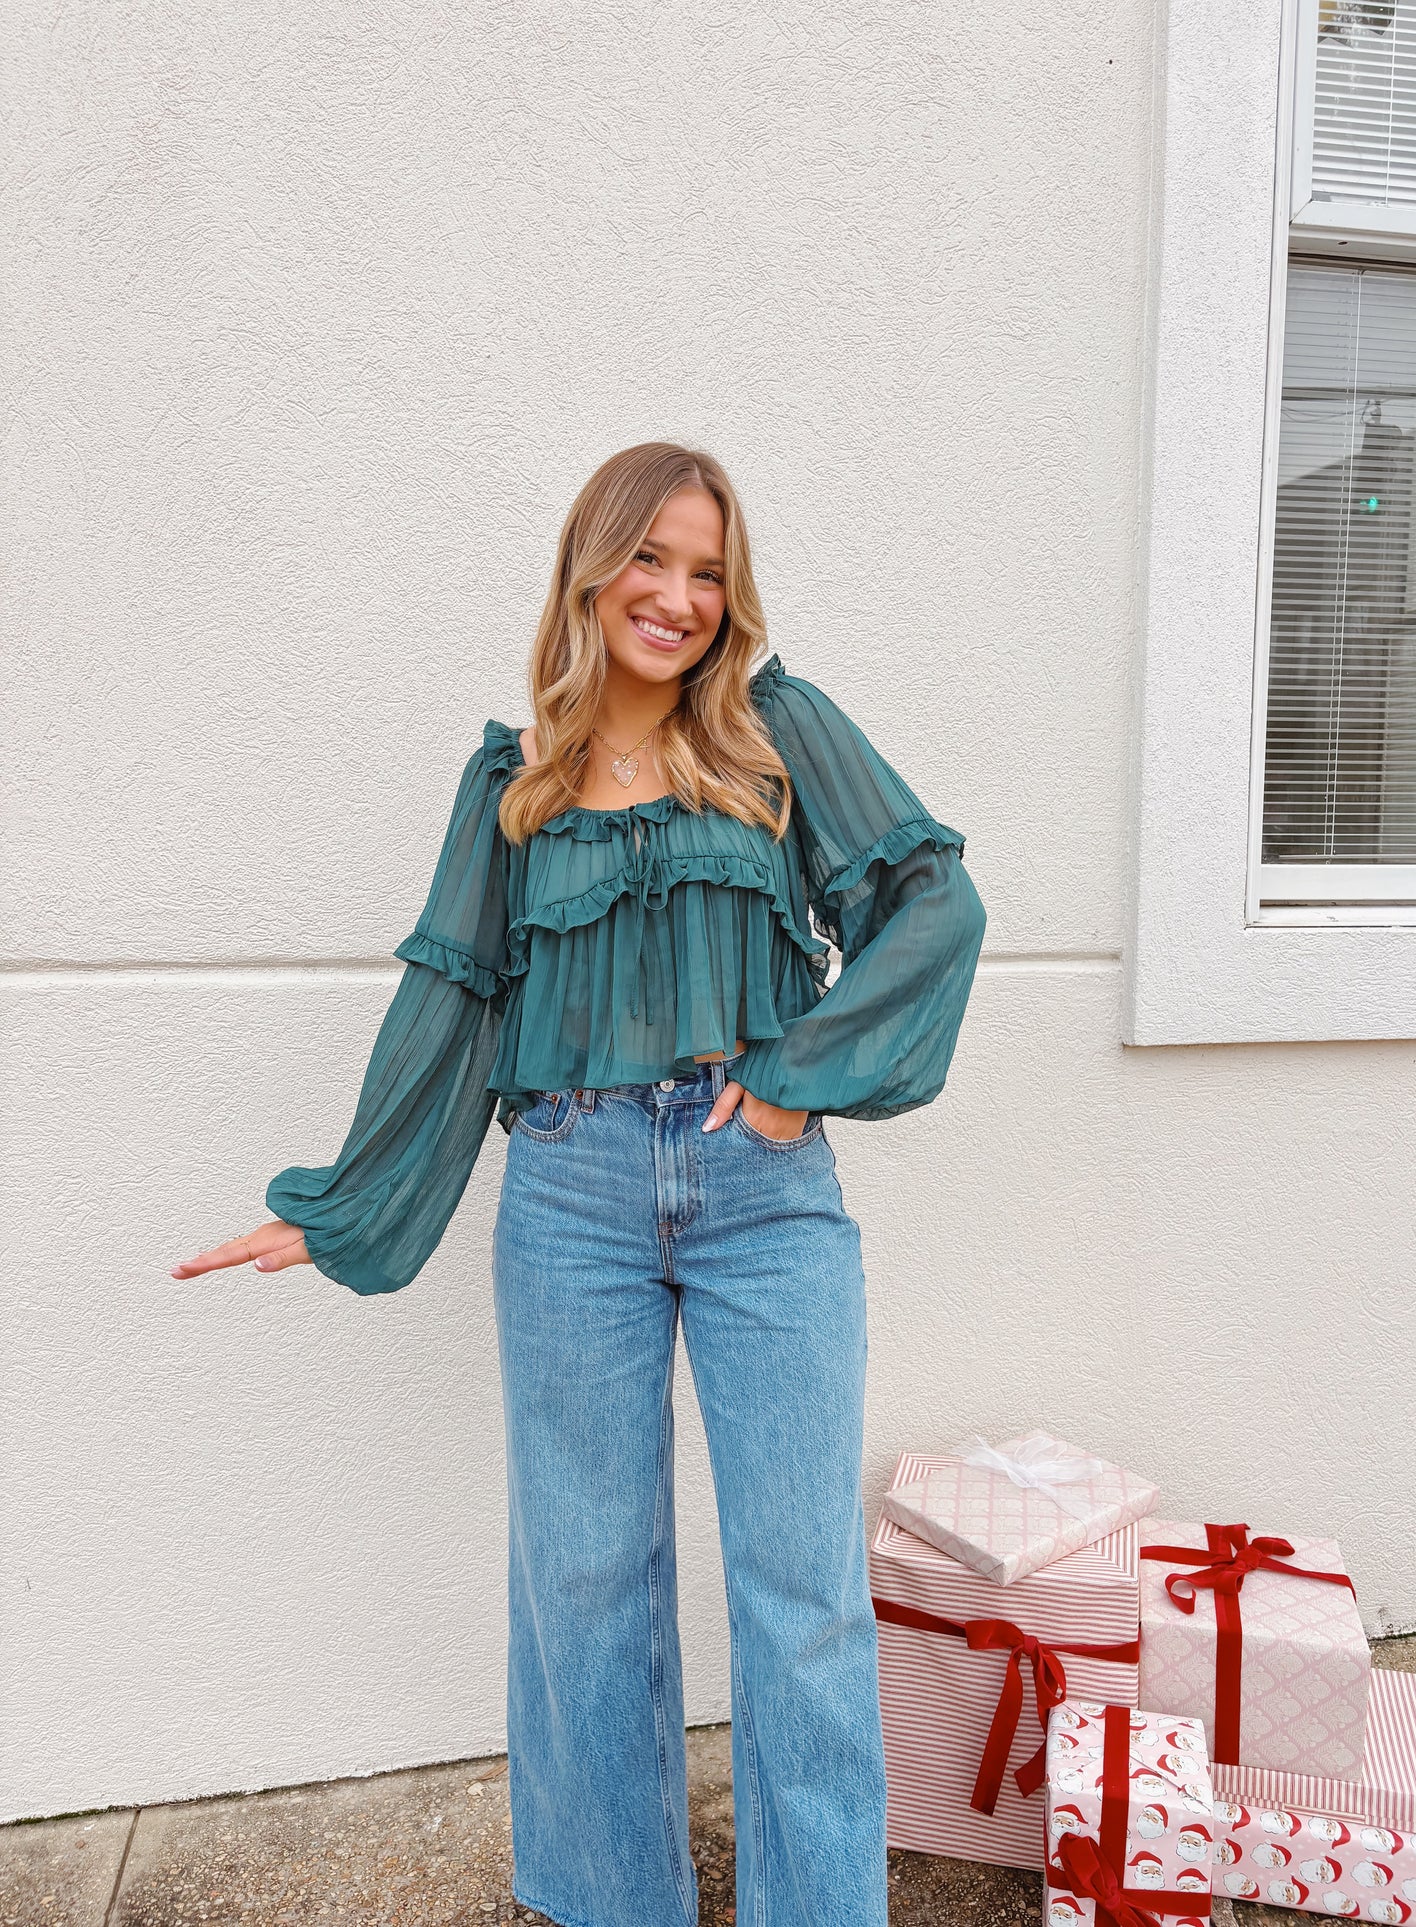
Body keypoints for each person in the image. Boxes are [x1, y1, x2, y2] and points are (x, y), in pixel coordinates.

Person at [172, 441, 987, 1927]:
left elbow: (933, 904)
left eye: (707, 571)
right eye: (651, 560)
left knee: (798, 1598)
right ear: (591, 567)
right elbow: (453, 1002)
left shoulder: (775, 732)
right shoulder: (517, 778)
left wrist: (799, 1082)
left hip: (761, 1200)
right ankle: (620, 1906)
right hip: (566, 1197)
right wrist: (345, 1207)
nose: (675, 597)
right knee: (587, 1591)